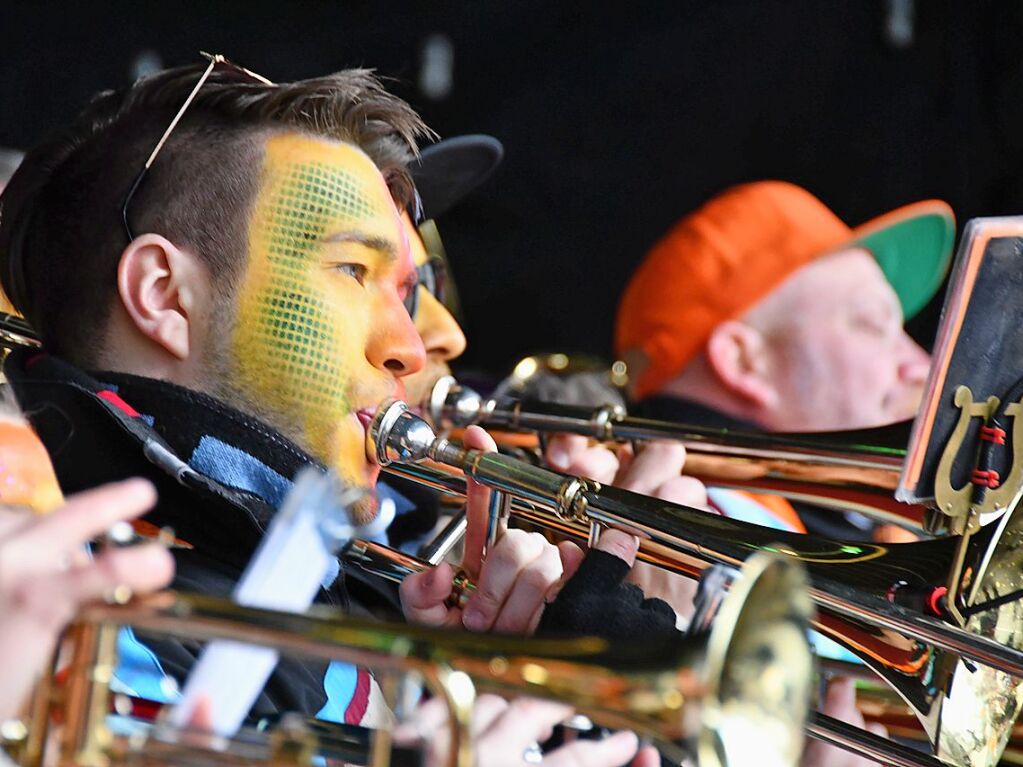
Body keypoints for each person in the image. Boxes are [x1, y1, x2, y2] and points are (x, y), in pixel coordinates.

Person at [0, 59, 661, 765]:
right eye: (353, 271)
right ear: (164, 294)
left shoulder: (371, 603)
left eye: (405, 292)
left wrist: (540, 697)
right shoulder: (46, 593)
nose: (412, 346)